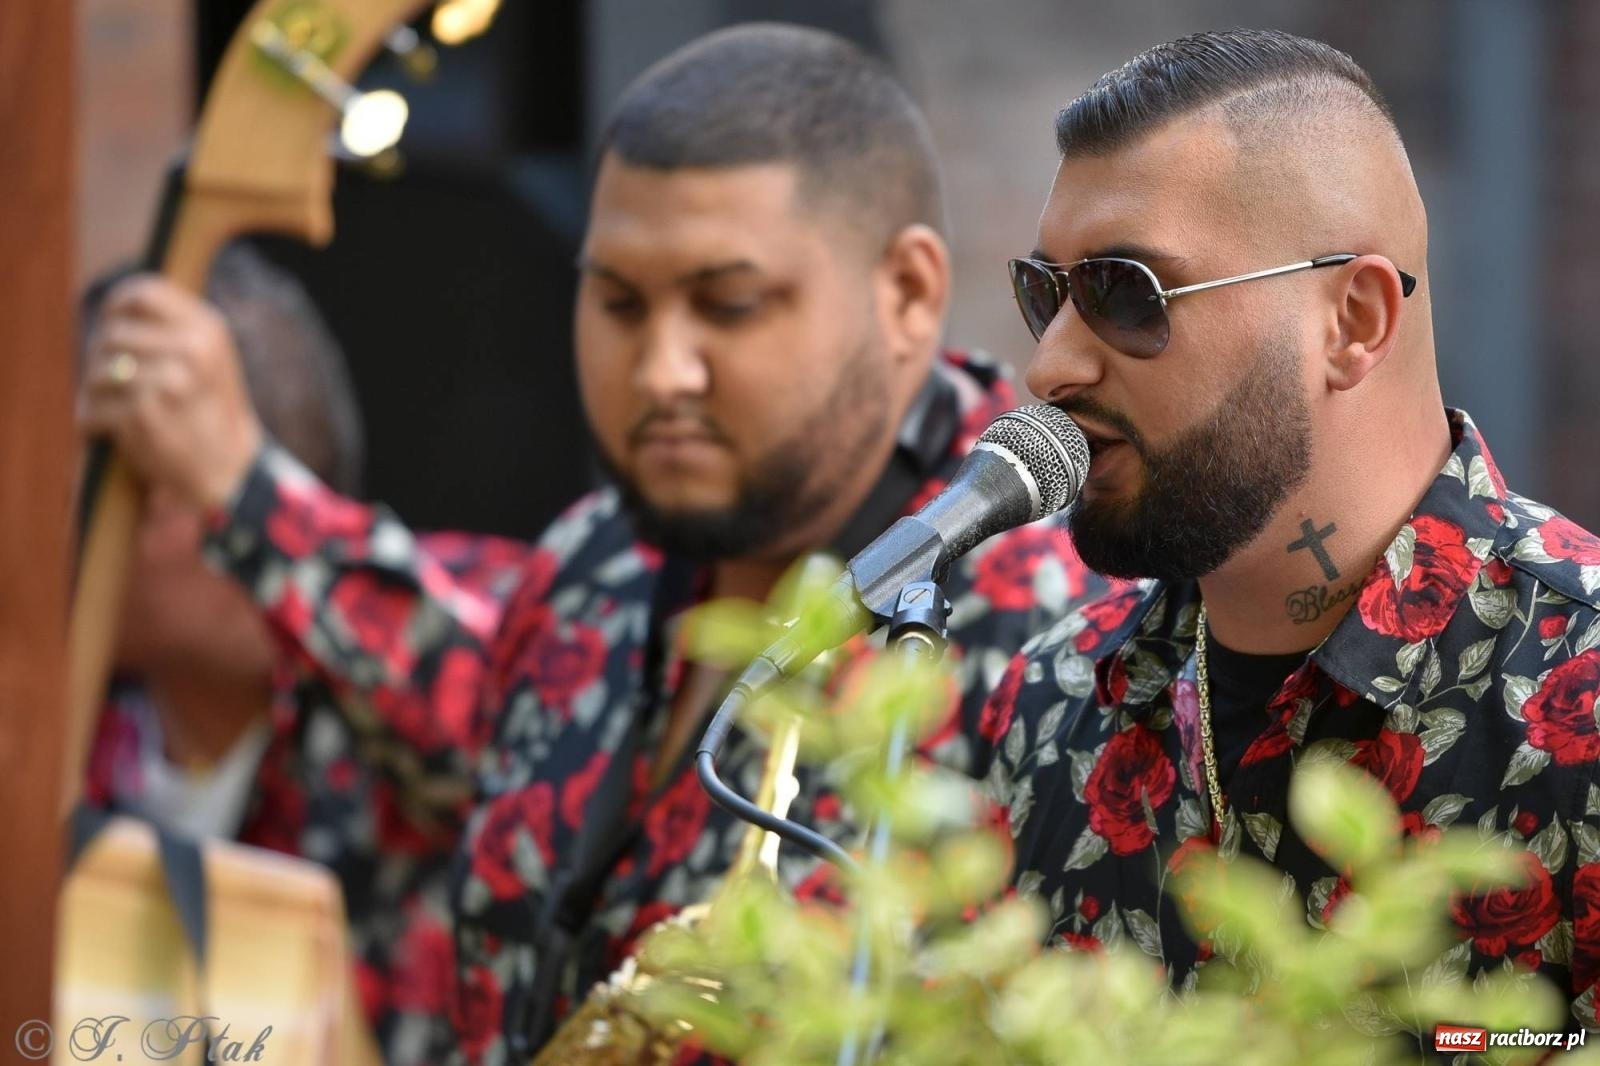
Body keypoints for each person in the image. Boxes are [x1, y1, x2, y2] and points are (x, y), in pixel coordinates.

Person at [82, 24, 1106, 1063]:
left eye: (729, 304)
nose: (661, 369)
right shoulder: (589, 560)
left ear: (908, 294)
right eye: (617, 300)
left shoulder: (1053, 627)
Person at [983, 27, 1600, 1040]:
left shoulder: (1574, 691)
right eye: (1044, 293)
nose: (1050, 366)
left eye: (1123, 292)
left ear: (1352, 320)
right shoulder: (1050, 700)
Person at [78, 243, 530, 1065]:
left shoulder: (457, 615)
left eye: (73, 480)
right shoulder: (79, 724)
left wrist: (244, 487)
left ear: (173, 485)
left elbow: (528, 745)